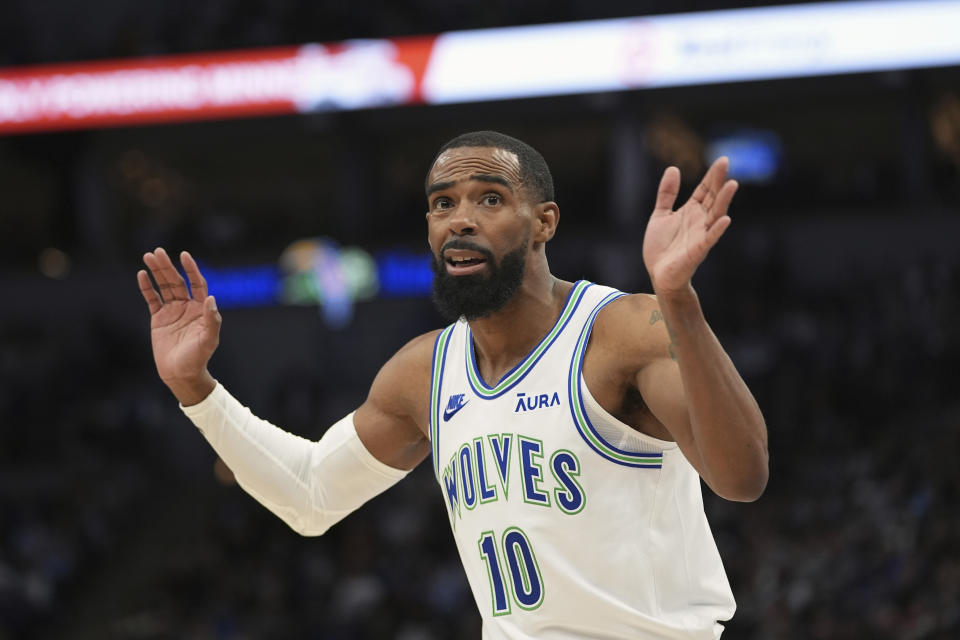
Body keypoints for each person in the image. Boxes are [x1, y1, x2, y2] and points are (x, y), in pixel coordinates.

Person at [137, 130, 768, 639]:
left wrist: (679, 300)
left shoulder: (623, 330)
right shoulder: (423, 371)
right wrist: (197, 388)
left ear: (544, 222)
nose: (459, 220)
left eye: (489, 199)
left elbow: (742, 477)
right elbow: (310, 496)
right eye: (443, 203)